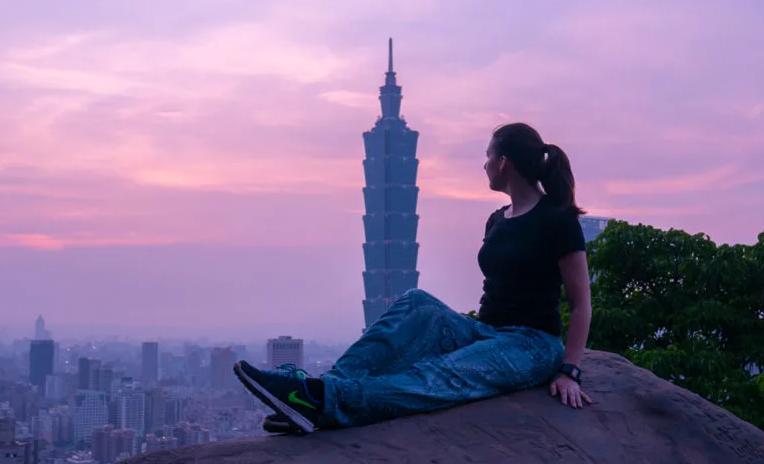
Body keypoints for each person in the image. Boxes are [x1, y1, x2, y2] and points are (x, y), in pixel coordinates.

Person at [235, 122, 594, 435]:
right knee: (415, 302)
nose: (484, 165)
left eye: (488, 157)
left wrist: (569, 371)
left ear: (504, 163)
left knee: (438, 376)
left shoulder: (558, 219)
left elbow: (580, 305)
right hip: (485, 332)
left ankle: (327, 404)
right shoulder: (497, 219)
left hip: (531, 345)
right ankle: (323, 388)